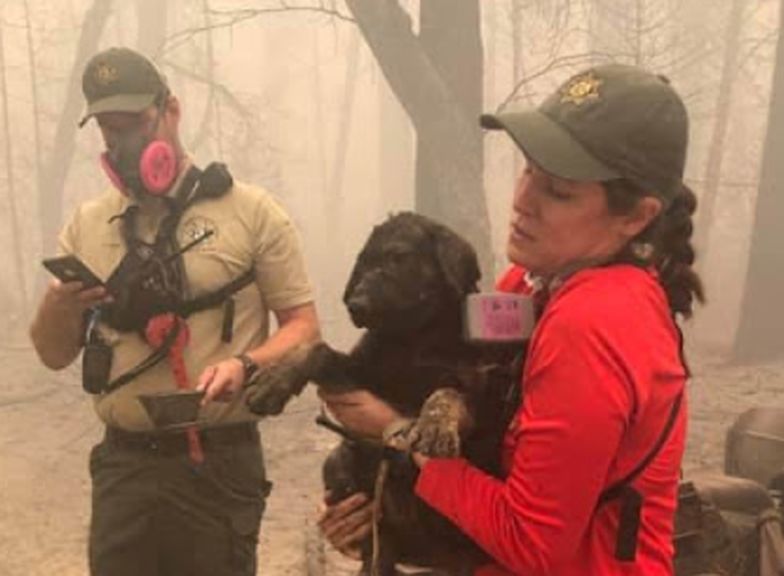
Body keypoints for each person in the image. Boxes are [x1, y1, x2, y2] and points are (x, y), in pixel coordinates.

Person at [317, 63, 702, 575]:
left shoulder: (595, 323)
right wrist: (376, 512)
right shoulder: (531, 283)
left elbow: (531, 544)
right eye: (528, 172)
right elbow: (472, 418)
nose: (522, 202)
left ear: (635, 217)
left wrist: (394, 431)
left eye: (558, 192)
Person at [29, 47, 320, 576]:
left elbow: (303, 328)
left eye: (136, 123)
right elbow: (52, 355)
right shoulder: (87, 226)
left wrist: (246, 365)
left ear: (172, 111)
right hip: (124, 468)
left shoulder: (251, 213)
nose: (123, 143)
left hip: (219, 465)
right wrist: (56, 306)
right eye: (110, 131)